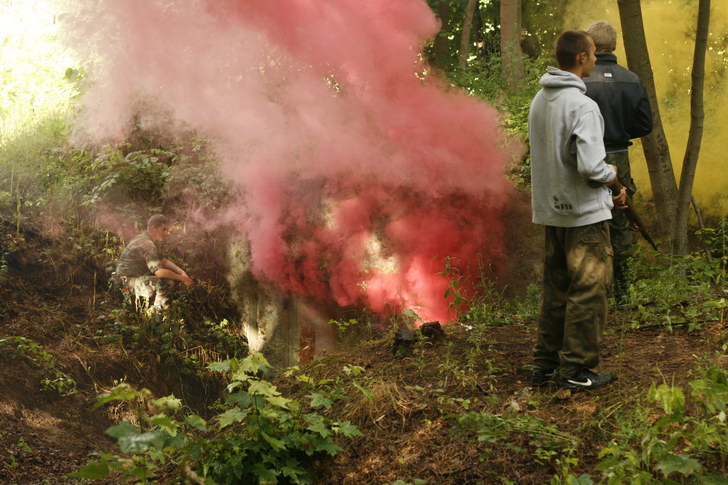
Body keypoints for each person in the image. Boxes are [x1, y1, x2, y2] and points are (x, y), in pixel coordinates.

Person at [528, 30, 627, 391]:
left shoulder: (540, 99)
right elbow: (590, 167)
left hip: (552, 212)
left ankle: (545, 364)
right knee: (588, 289)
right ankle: (576, 369)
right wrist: (613, 177)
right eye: (592, 55)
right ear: (583, 57)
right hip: (584, 216)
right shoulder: (583, 106)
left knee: (555, 290)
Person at [584, 20, 653, 302]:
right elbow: (644, 125)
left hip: (588, 156)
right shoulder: (632, 79)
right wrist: (622, 131)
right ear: (614, 45)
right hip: (620, 157)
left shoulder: (581, 80)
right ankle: (623, 296)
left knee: (589, 221)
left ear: (589, 45)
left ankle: (593, 292)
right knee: (621, 221)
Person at [115, 214, 193, 315]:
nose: (167, 233)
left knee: (171, 278)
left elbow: (164, 261)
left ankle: (154, 309)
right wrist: (184, 279)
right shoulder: (147, 244)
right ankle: (158, 317)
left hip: (132, 278)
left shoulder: (147, 239)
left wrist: (181, 272)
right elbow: (160, 273)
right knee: (166, 282)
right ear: (153, 229)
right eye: (164, 229)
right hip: (126, 283)